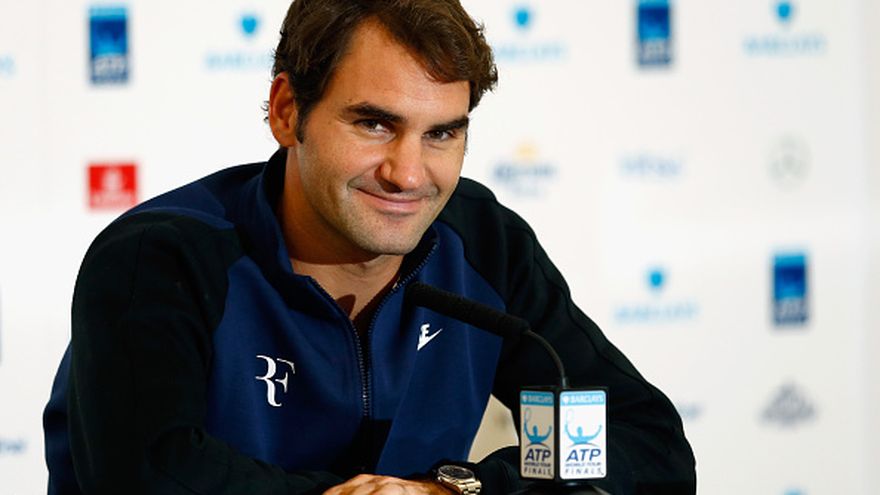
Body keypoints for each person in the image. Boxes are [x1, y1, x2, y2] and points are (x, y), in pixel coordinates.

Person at [43, 1, 696, 494]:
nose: (408, 175)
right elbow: (148, 475)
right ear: (287, 111)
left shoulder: (482, 244)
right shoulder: (162, 257)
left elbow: (643, 441)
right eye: (375, 124)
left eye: (442, 134)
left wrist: (456, 488)